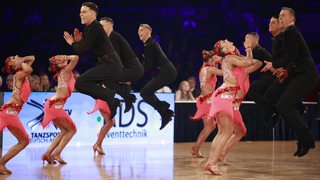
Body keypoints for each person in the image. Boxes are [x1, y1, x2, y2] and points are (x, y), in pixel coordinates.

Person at [262, 7, 319, 157]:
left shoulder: (291, 32)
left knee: (284, 105)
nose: (280, 18)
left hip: (307, 75)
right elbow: (291, 58)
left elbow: (292, 56)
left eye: (283, 16)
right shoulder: (287, 34)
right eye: (279, 15)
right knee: (282, 104)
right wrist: (283, 69)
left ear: (292, 19)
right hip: (298, 74)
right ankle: (304, 138)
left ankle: (306, 138)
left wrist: (273, 65)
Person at [205, 39, 261, 175]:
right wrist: (248, 50)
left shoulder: (228, 58)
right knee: (226, 133)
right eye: (224, 42)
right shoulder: (229, 57)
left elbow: (248, 63)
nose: (227, 40)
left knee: (221, 133)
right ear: (224, 49)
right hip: (224, 97)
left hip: (222, 96)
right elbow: (248, 62)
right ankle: (212, 163)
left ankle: (210, 162)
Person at [63, 2, 122, 119]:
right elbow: (82, 51)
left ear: (93, 14)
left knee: (80, 83)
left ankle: (111, 98)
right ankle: (111, 101)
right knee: (82, 83)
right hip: (107, 63)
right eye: (80, 12)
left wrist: (73, 43)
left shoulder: (95, 27)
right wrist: (79, 43)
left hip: (111, 64)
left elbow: (82, 48)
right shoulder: (89, 28)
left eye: (84, 12)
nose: (81, 14)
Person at [99, 17, 144, 113]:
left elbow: (115, 60)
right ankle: (128, 99)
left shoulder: (114, 37)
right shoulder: (109, 39)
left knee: (105, 79)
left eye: (102, 25)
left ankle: (127, 98)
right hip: (130, 68)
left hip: (133, 69)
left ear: (109, 26)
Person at [138, 23, 177, 130]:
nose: (139, 32)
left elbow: (147, 67)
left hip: (167, 72)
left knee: (144, 92)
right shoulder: (150, 44)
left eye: (141, 30)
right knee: (146, 92)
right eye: (138, 30)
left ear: (148, 32)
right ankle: (165, 113)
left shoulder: (150, 45)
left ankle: (165, 110)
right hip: (167, 72)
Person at [0, 55, 35, 175]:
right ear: (11, 65)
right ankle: (1, 163)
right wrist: (20, 62)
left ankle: (1, 163)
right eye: (14, 57)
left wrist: (20, 60)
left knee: (24, 141)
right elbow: (30, 69)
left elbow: (32, 58)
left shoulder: (21, 73)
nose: (17, 57)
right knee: (24, 141)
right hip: (8, 113)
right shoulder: (19, 75)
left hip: (10, 113)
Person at [41, 55, 79, 164]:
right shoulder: (66, 70)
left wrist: (58, 59)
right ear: (59, 64)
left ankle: (47, 154)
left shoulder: (62, 71)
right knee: (72, 130)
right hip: (55, 106)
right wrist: (65, 56)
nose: (63, 59)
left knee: (65, 130)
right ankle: (56, 154)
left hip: (53, 105)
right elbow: (76, 58)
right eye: (59, 60)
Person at [190, 50, 222, 158]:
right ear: (210, 60)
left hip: (206, 101)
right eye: (213, 59)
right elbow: (225, 73)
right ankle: (196, 149)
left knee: (211, 126)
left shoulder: (204, 68)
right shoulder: (210, 69)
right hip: (207, 101)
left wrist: (216, 59)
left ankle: (196, 149)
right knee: (210, 127)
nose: (215, 60)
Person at [87, 85, 115, 155]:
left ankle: (98, 144)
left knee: (110, 122)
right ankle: (97, 144)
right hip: (104, 99)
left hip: (105, 98)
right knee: (110, 122)